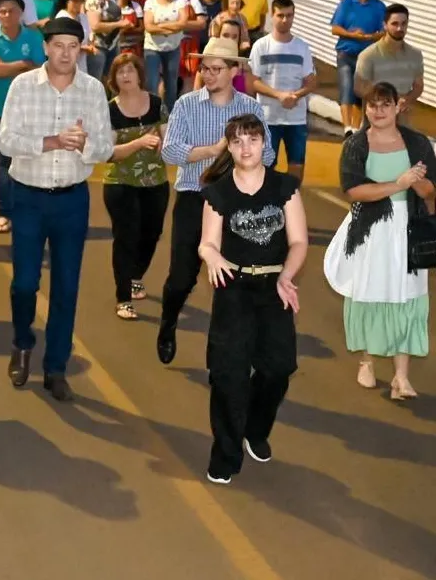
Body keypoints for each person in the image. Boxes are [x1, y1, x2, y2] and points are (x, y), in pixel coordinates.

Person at [0, 17, 114, 400]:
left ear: (81, 49)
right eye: (59, 45)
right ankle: (22, 341)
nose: (66, 53)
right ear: (45, 47)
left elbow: (106, 147)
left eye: (73, 46)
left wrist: (84, 146)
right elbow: (7, 141)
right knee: (25, 283)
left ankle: (57, 366)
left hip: (72, 199)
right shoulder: (22, 86)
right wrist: (51, 141)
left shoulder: (93, 90)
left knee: (66, 285)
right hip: (28, 197)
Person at [197, 113, 307, 485]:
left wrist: (287, 276)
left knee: (279, 368)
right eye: (238, 141)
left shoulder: (285, 188)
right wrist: (212, 256)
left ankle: (255, 429)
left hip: (274, 287)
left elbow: (298, 242)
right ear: (229, 147)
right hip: (234, 290)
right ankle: (225, 454)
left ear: (265, 144)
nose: (246, 147)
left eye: (253, 139)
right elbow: (207, 243)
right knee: (228, 376)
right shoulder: (218, 193)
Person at [157, 38, 274, 366]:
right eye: (204, 68)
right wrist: (213, 149)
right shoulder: (186, 105)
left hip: (236, 204)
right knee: (182, 276)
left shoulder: (250, 108)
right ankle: (168, 321)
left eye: (216, 69)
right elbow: (170, 151)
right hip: (194, 197)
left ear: (233, 71)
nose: (208, 74)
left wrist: (242, 153)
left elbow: (269, 153)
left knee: (231, 283)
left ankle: (220, 356)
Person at [324, 82, 435, 399]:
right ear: (366, 108)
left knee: (407, 295)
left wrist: (418, 184)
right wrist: (397, 183)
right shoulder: (357, 145)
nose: (379, 111)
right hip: (371, 231)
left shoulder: (417, 143)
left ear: (398, 106)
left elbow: (431, 193)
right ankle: (367, 362)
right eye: (373, 105)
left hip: (408, 230)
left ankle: (402, 376)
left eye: (385, 104)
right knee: (371, 291)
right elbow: (354, 191)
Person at [102, 53, 169, 322]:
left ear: (141, 74)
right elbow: (108, 152)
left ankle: (136, 275)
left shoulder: (156, 103)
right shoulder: (110, 109)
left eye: (130, 70)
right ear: (114, 78)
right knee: (126, 237)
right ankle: (123, 298)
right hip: (121, 182)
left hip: (156, 181)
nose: (126, 76)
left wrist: (165, 145)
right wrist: (139, 143)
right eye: (120, 72)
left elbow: (167, 137)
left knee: (152, 234)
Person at [0, 0, 45, 235]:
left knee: (31, 158)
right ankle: (5, 212)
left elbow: (40, 68)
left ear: (21, 12)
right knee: (3, 163)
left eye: (12, 10)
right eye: (3, 11)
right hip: (0, 108)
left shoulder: (34, 36)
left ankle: (29, 211)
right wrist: (22, 64)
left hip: (31, 107)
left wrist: (7, 67)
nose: (7, 15)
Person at [247, 0, 316, 181]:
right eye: (280, 15)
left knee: (296, 165)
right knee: (266, 165)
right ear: (272, 15)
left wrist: (295, 96)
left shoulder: (302, 47)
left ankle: (292, 202)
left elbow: (311, 81)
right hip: (268, 118)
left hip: (296, 119)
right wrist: (279, 95)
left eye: (289, 15)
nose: (285, 20)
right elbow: (253, 81)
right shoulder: (261, 46)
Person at [329, 0, 385, 136]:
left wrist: (370, 36)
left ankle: (355, 128)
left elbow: (384, 31)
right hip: (346, 53)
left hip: (367, 57)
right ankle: (347, 128)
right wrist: (352, 34)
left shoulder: (378, 6)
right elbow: (335, 28)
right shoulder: (346, 4)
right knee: (346, 89)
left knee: (361, 93)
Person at [354, 4, 424, 121]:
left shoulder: (415, 55)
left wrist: (407, 99)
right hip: (375, 123)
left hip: (403, 124)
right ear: (385, 25)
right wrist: (385, 102)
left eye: (403, 24)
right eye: (394, 24)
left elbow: (418, 86)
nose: (399, 28)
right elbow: (358, 88)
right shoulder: (368, 55)